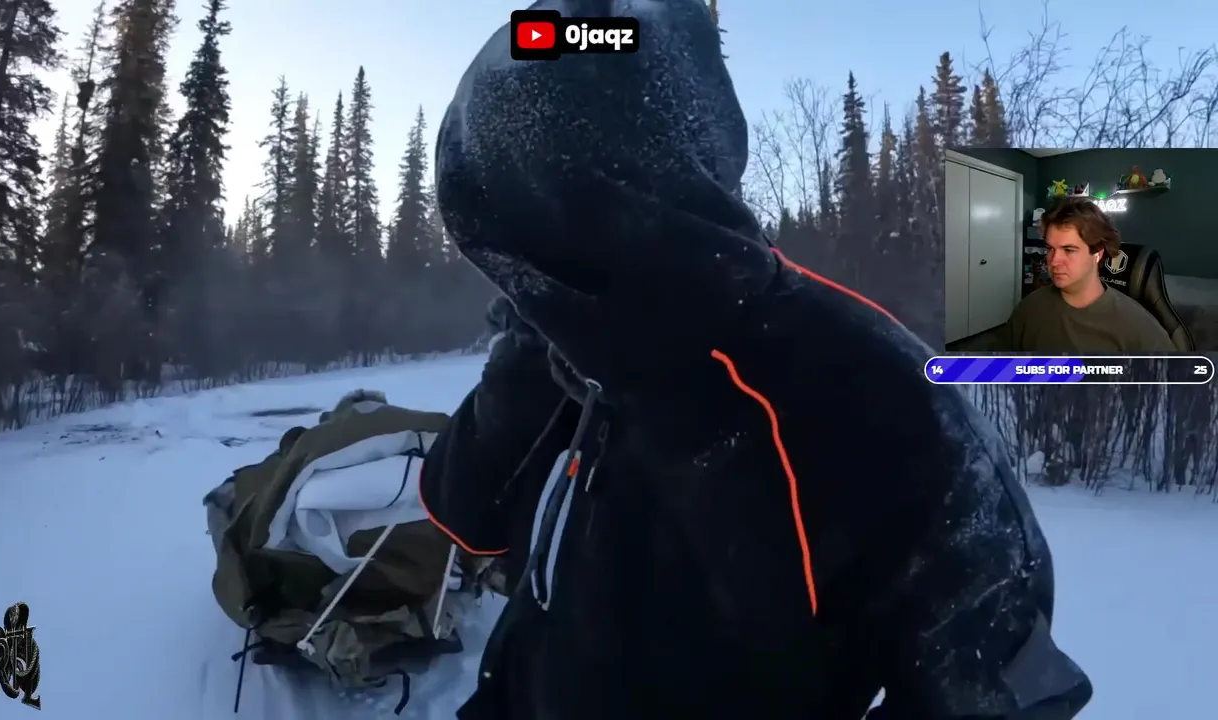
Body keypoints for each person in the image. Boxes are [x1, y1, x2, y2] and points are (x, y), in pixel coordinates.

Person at [419, 0, 1093, 717]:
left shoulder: (871, 391)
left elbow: (1003, 696)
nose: (530, 263)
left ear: (633, 176)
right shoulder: (574, 358)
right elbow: (467, 513)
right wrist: (525, 336)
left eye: (541, 211)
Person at [1000, 197, 1175, 353]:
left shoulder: (1138, 327)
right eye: (1050, 249)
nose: (1054, 261)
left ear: (1098, 253)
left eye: (1069, 250)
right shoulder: (1029, 309)